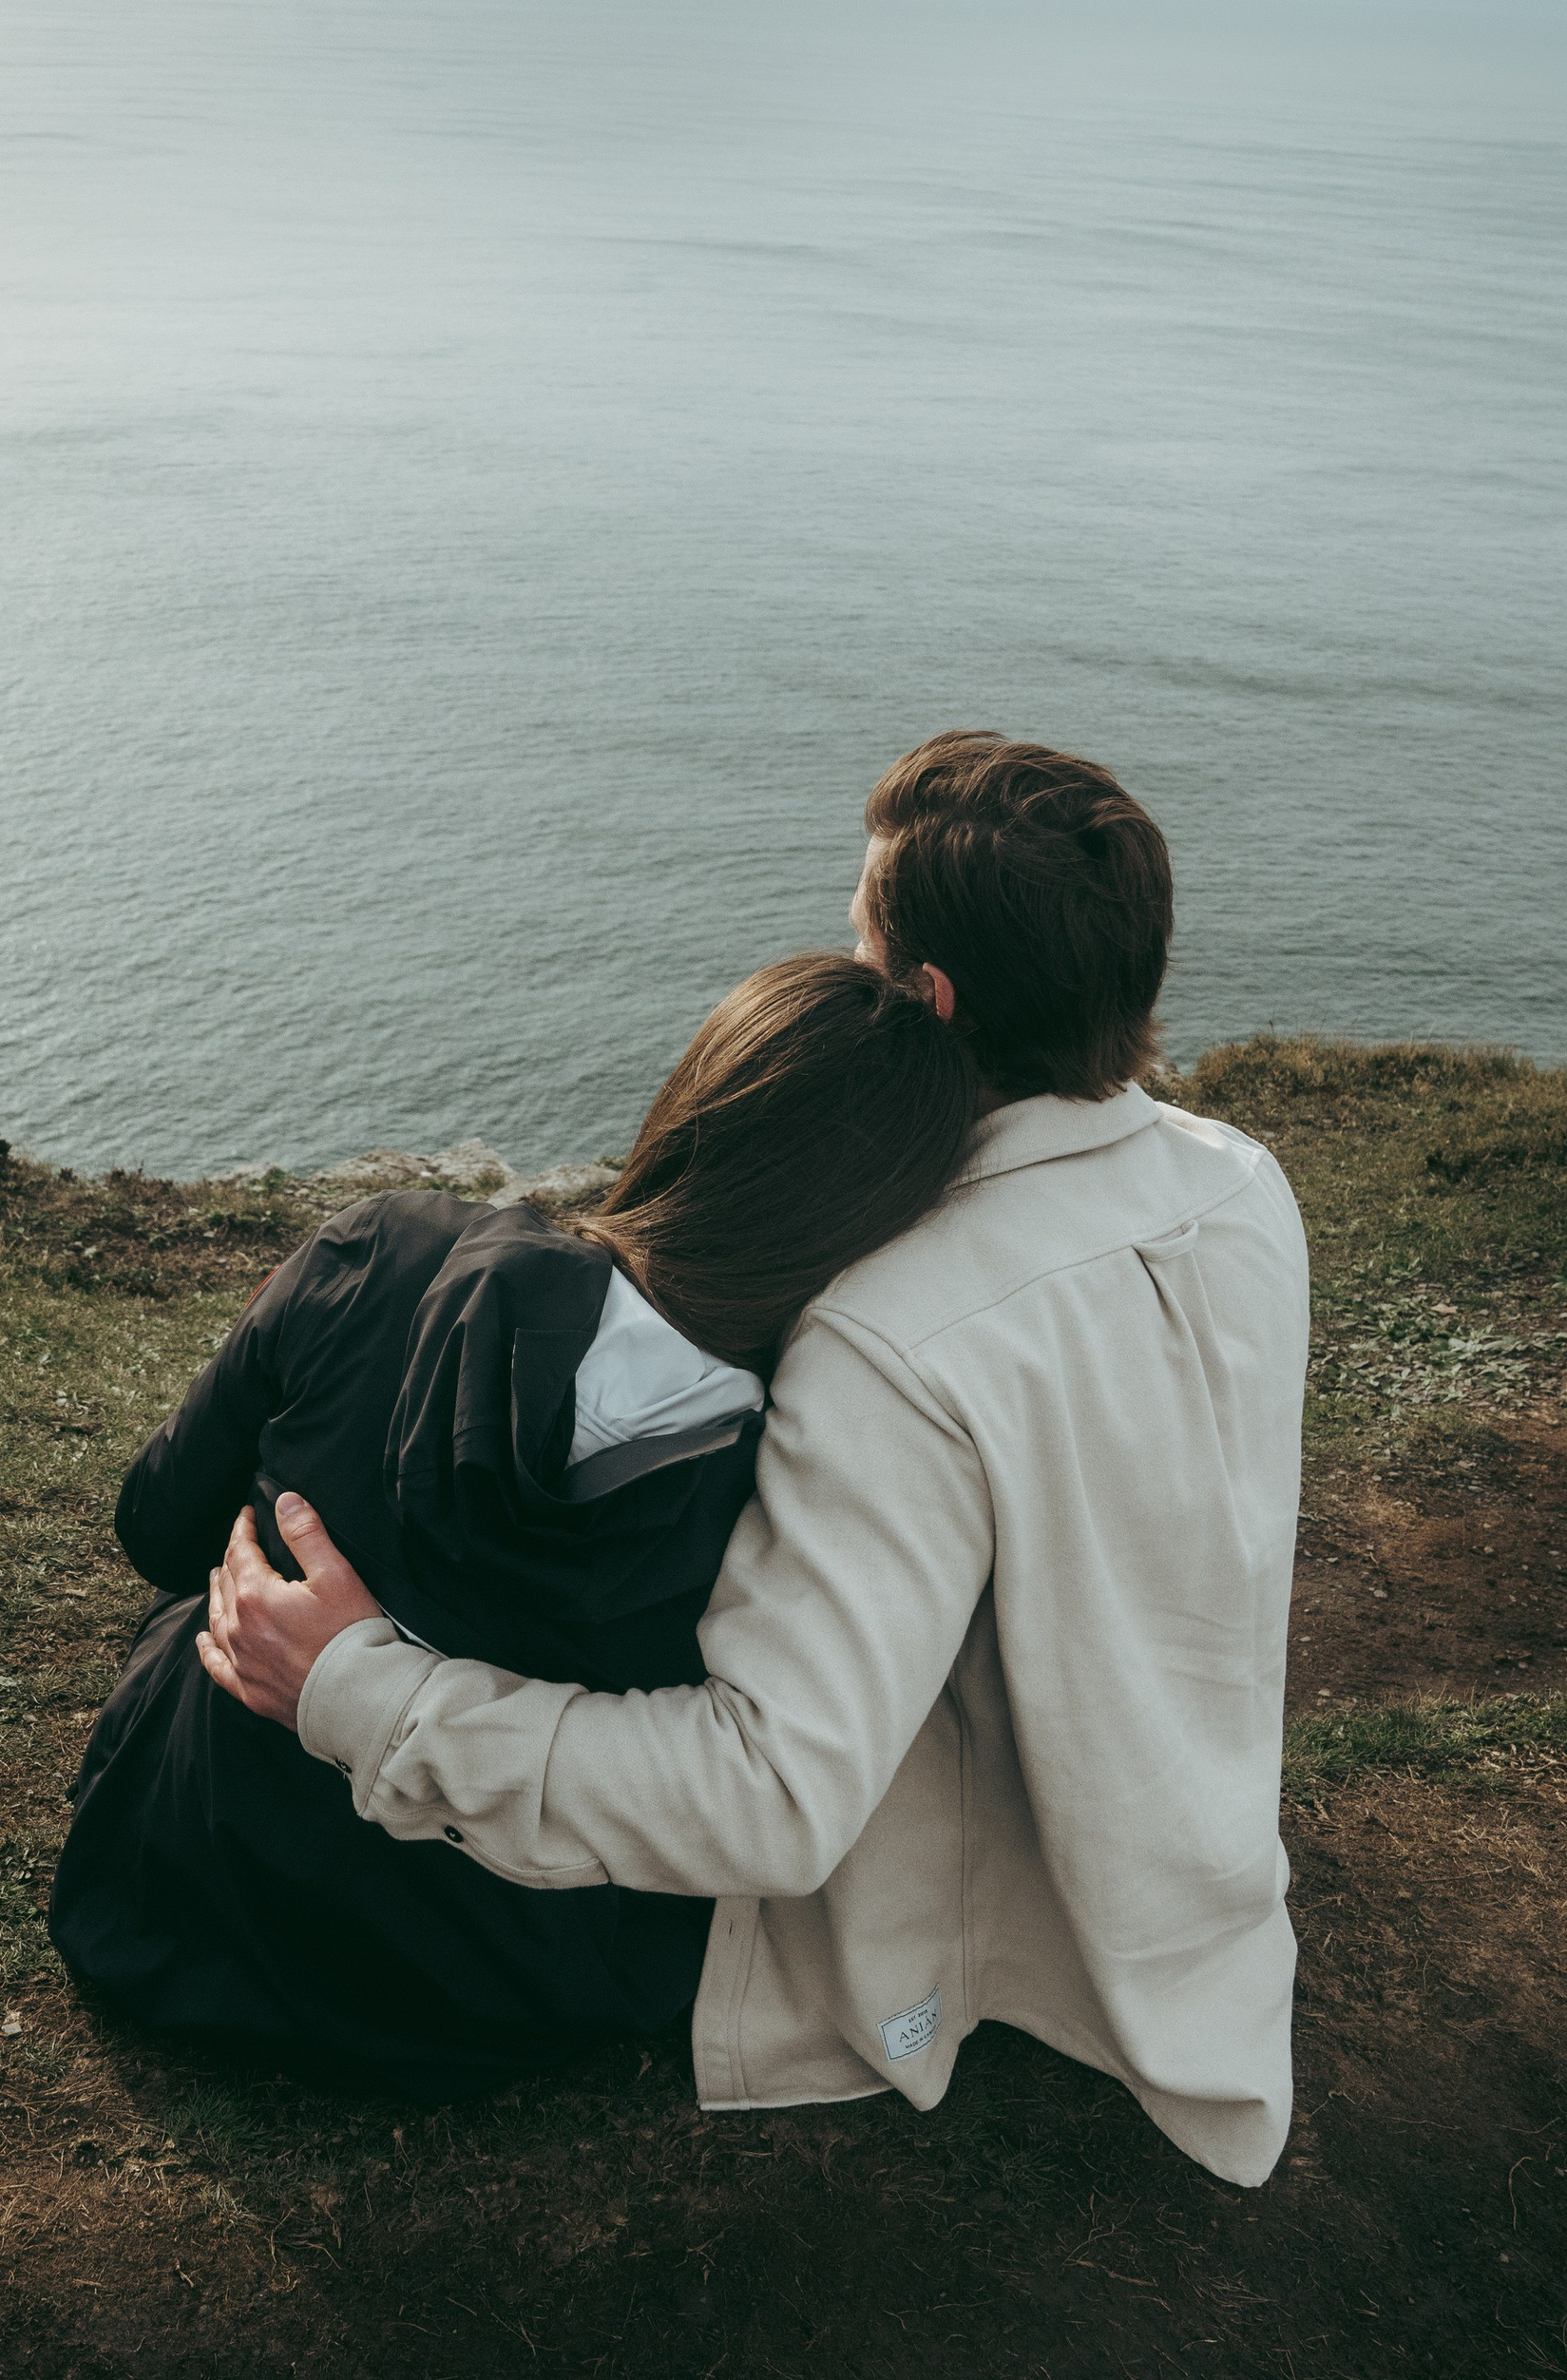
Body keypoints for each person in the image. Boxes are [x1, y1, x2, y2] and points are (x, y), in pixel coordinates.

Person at [199, 732, 1313, 2187]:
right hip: (1195, 1889)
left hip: (961, 1950)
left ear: (927, 1002)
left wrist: (367, 1691)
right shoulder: (1243, 1186)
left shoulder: (890, 1327)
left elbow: (773, 1800)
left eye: (860, 938)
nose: (840, 959)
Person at [50, 954, 979, 2096]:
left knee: (215, 1576)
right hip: (485, 1992)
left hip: (164, 1897)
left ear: (692, 1101)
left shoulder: (381, 1247)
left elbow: (156, 1528)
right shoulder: (786, 1473)